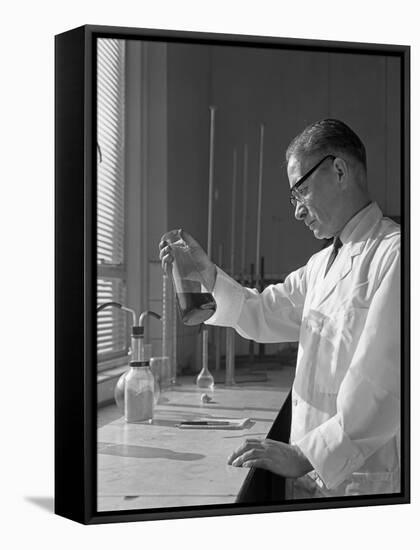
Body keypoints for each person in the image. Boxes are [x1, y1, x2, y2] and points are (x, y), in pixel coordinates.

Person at [159, 119, 401, 499]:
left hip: (358, 479)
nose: (297, 212)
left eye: (301, 192)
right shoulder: (321, 265)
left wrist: (307, 454)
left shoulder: (395, 255)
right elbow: (262, 312)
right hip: (309, 474)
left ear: (338, 170)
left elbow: (385, 387)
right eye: (293, 199)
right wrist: (209, 276)